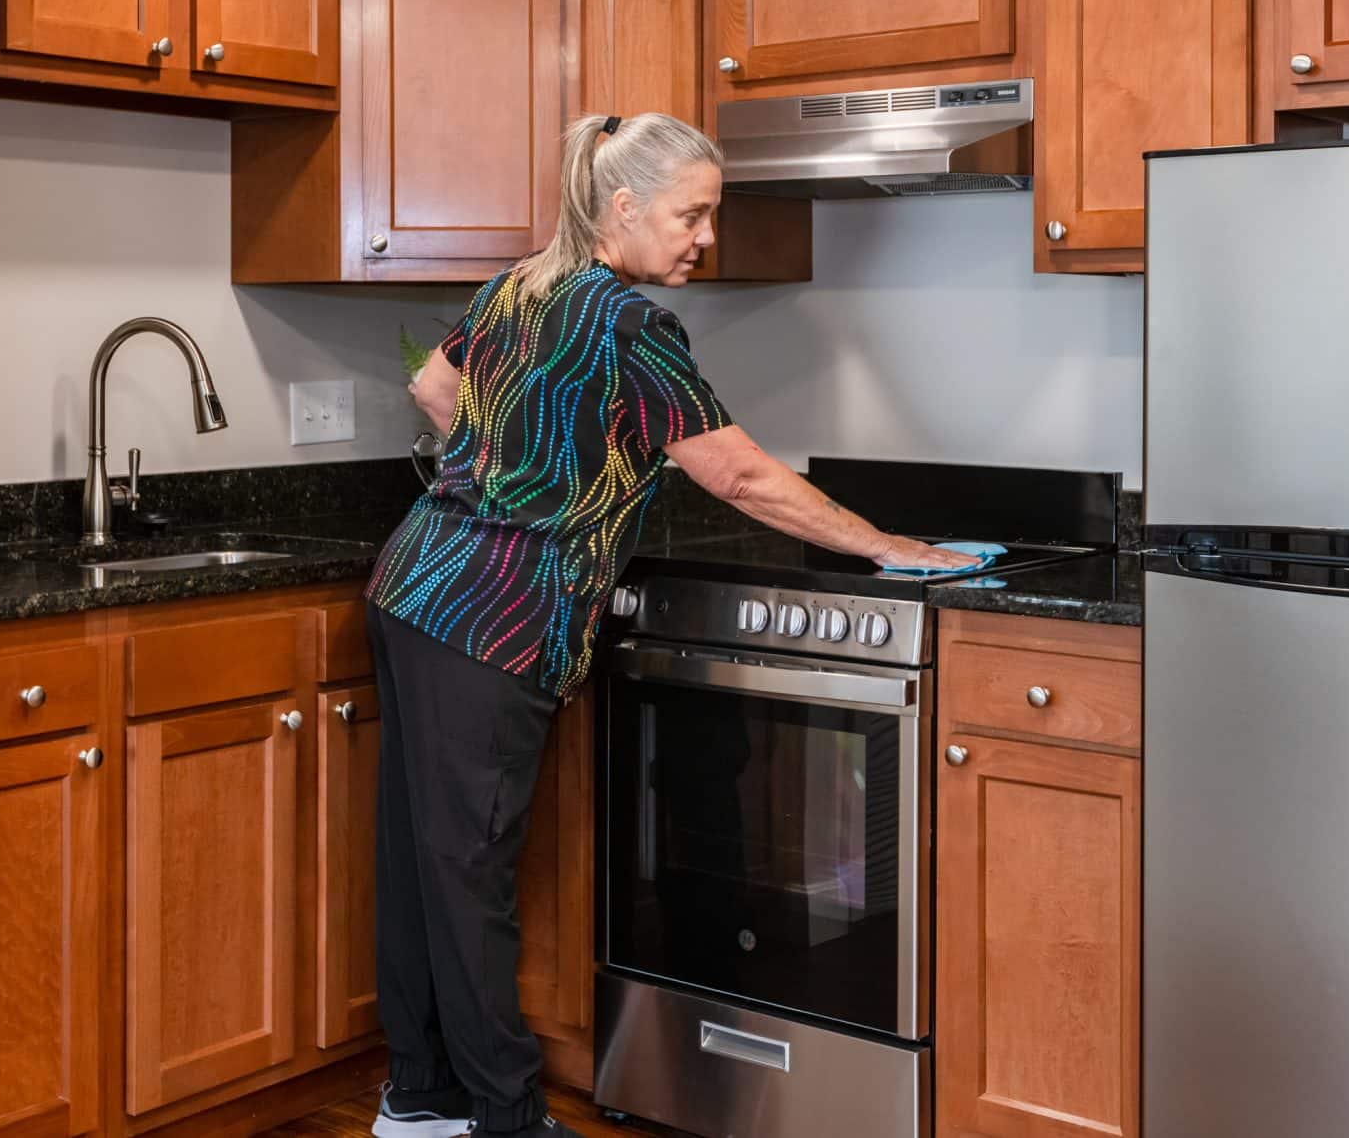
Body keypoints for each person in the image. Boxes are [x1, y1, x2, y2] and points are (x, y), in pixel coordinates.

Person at [362, 112, 976, 1138]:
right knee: (468, 871)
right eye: (691, 215)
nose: (703, 237)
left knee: (426, 861)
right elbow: (734, 472)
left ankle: (418, 1099)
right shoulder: (626, 325)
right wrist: (888, 546)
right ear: (623, 208)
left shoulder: (523, 283)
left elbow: (435, 382)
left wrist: (518, 472)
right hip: (490, 618)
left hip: (415, 588)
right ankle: (503, 1121)